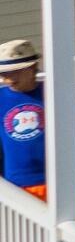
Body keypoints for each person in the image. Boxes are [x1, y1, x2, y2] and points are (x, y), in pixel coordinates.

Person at [0, 42, 41, 197]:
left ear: (31, 68)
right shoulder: (1, 97)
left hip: (55, 179)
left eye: (12, 72)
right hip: (15, 181)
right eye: (3, 74)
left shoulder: (51, 93)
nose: (7, 78)